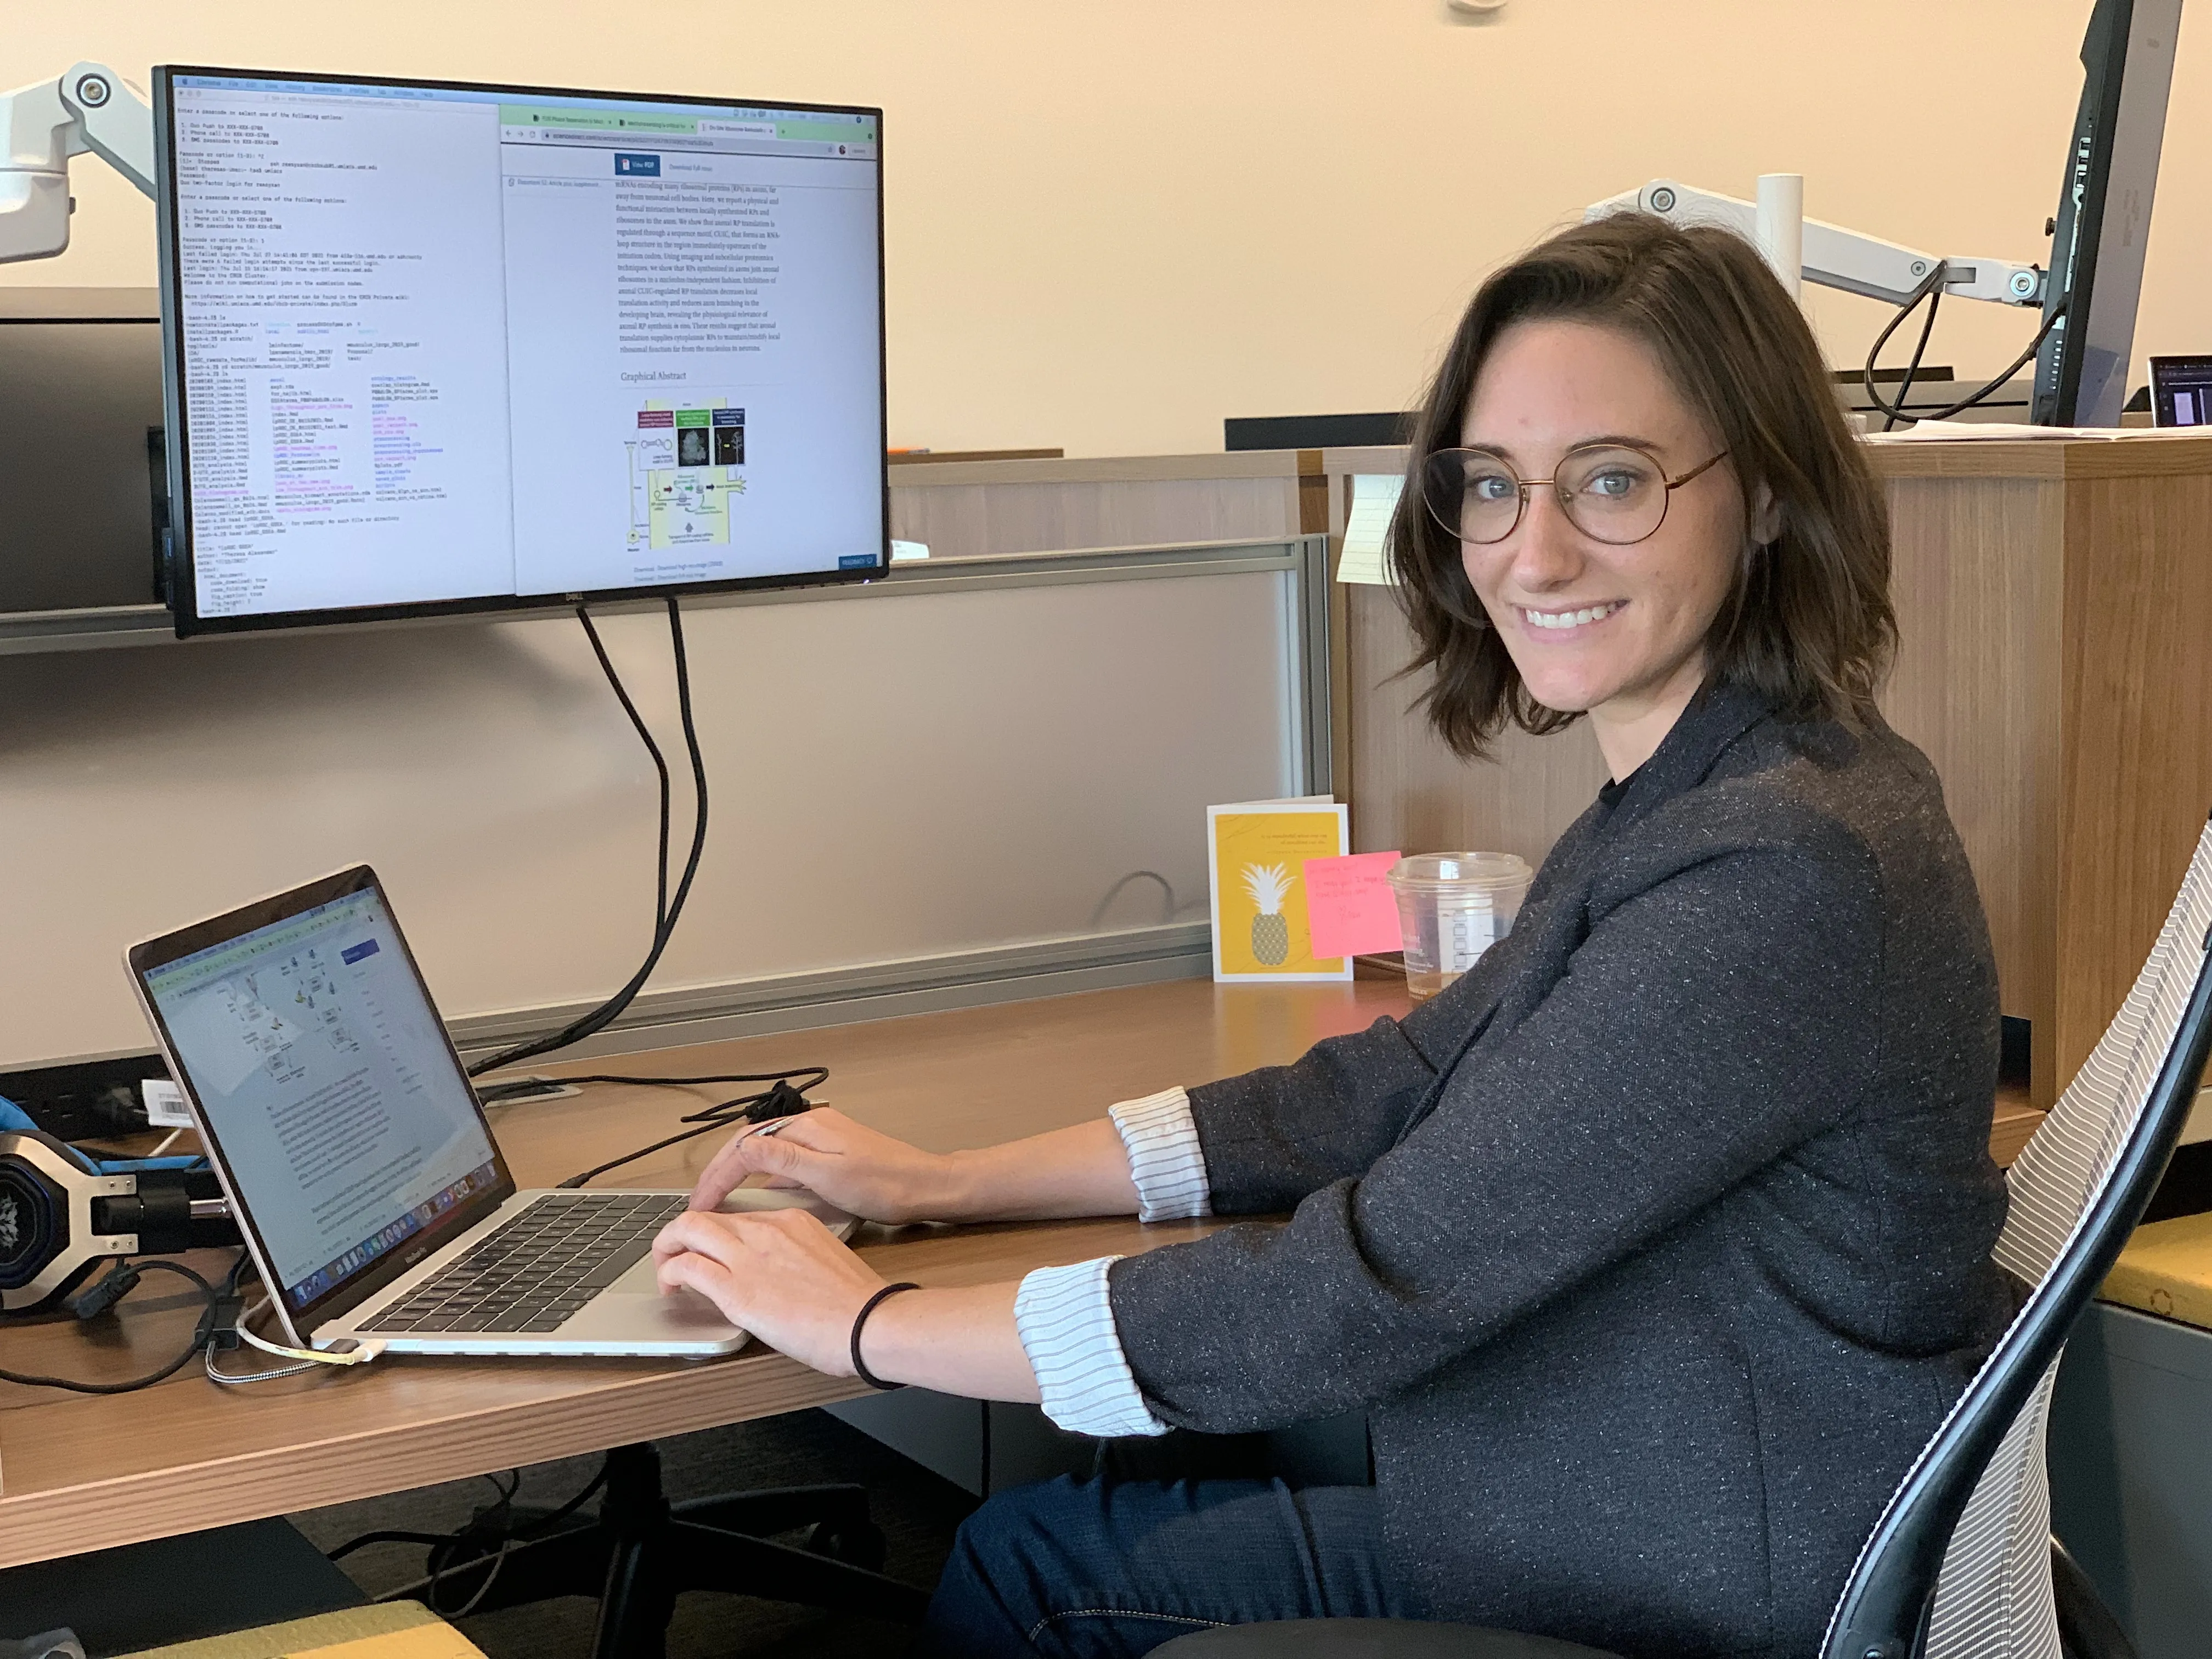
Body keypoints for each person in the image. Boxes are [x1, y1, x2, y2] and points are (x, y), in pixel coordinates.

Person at [650, 212, 2014, 1658]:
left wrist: (873, 1324)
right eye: (1493, 487)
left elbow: (1379, 1280)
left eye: (1613, 480)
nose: (1536, 554)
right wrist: (953, 1181)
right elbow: (1397, 1083)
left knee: (1035, 1568)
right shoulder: (1716, 788)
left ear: (1774, 494)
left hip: (1699, 1574)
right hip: (1642, 1483)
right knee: (1132, 1478)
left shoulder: (1775, 871)